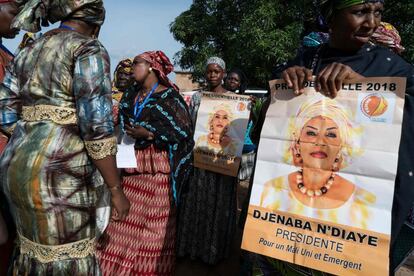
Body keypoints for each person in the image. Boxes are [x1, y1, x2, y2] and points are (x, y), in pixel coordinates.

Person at [250, 0, 414, 274]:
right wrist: (283, 91)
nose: (372, 23)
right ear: (332, 17)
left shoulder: (392, 67)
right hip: (289, 227)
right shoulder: (304, 60)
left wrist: (364, 88)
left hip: (354, 233)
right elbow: (266, 131)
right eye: (360, 12)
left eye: (378, 12)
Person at [0, 0, 130, 274]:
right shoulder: (87, 48)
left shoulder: (27, 49)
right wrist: (116, 189)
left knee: (30, 249)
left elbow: (4, 112)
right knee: (67, 255)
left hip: (16, 167)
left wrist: (35, 136)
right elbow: (96, 127)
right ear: (95, 23)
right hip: (61, 175)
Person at [97, 50, 194, 276]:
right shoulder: (131, 94)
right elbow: (120, 117)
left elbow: (183, 131)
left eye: (137, 63)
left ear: (152, 67)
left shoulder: (170, 97)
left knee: (154, 227)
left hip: (157, 170)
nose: (133, 68)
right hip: (130, 166)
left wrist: (150, 134)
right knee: (122, 220)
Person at [260, 98, 378, 230]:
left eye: (331, 135)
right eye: (311, 133)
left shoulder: (364, 201)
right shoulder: (272, 189)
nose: (320, 142)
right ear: (297, 141)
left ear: (341, 146)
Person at [177, 57, 239, 265]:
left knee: (218, 206)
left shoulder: (234, 100)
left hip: (222, 164)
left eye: (217, 71)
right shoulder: (197, 97)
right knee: (196, 203)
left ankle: (213, 252)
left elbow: (238, 130)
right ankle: (192, 248)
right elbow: (189, 125)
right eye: (209, 71)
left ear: (224, 73)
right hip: (200, 160)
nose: (212, 75)